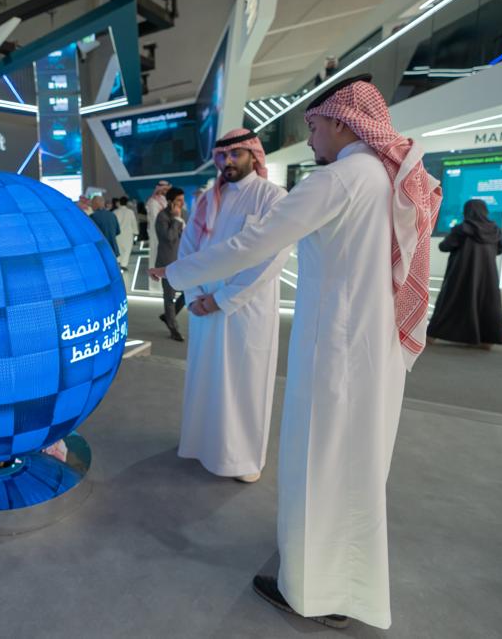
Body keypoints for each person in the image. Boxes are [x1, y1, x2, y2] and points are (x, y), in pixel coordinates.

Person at [150, 75, 441, 630]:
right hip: (370, 348)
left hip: (337, 350)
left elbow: (255, 244)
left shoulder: (340, 179)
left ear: (342, 123)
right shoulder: (384, 175)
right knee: (355, 469)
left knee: (320, 464)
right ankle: (341, 583)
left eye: (314, 127)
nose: (310, 139)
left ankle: (314, 594)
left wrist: (178, 272)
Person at [177, 128, 288, 484]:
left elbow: (272, 258)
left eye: (236, 154)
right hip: (202, 307)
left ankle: (243, 458)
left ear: (254, 156)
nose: (228, 161)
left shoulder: (272, 197)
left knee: (244, 384)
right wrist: (194, 295)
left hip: (244, 309)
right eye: (223, 155)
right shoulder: (207, 200)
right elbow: (187, 248)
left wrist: (222, 299)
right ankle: (203, 446)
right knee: (206, 380)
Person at [427, 199, 502, 349]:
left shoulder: (462, 229)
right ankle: (487, 341)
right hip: (487, 275)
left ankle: (432, 335)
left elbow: (445, 246)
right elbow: (501, 248)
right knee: (486, 303)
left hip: (461, 273)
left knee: (450, 301)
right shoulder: (495, 230)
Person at [154, 187, 187, 341]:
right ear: (170, 202)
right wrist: (176, 220)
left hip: (183, 260)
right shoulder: (162, 217)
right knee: (169, 296)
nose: (182, 203)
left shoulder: (184, 214)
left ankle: (168, 316)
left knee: (189, 291)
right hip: (167, 262)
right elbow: (169, 238)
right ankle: (174, 328)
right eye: (179, 200)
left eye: (182, 200)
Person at [146, 181, 171, 289]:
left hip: (166, 233)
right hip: (157, 234)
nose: (165, 191)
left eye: (166, 189)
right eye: (164, 189)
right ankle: (155, 286)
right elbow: (156, 219)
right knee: (156, 257)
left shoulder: (164, 200)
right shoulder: (152, 202)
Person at [113, 196, 138, 271]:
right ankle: (124, 264)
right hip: (128, 234)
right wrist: (136, 232)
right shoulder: (130, 212)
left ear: (119, 202)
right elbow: (133, 222)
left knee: (119, 249)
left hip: (117, 234)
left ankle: (118, 262)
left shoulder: (115, 212)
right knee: (127, 250)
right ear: (127, 203)